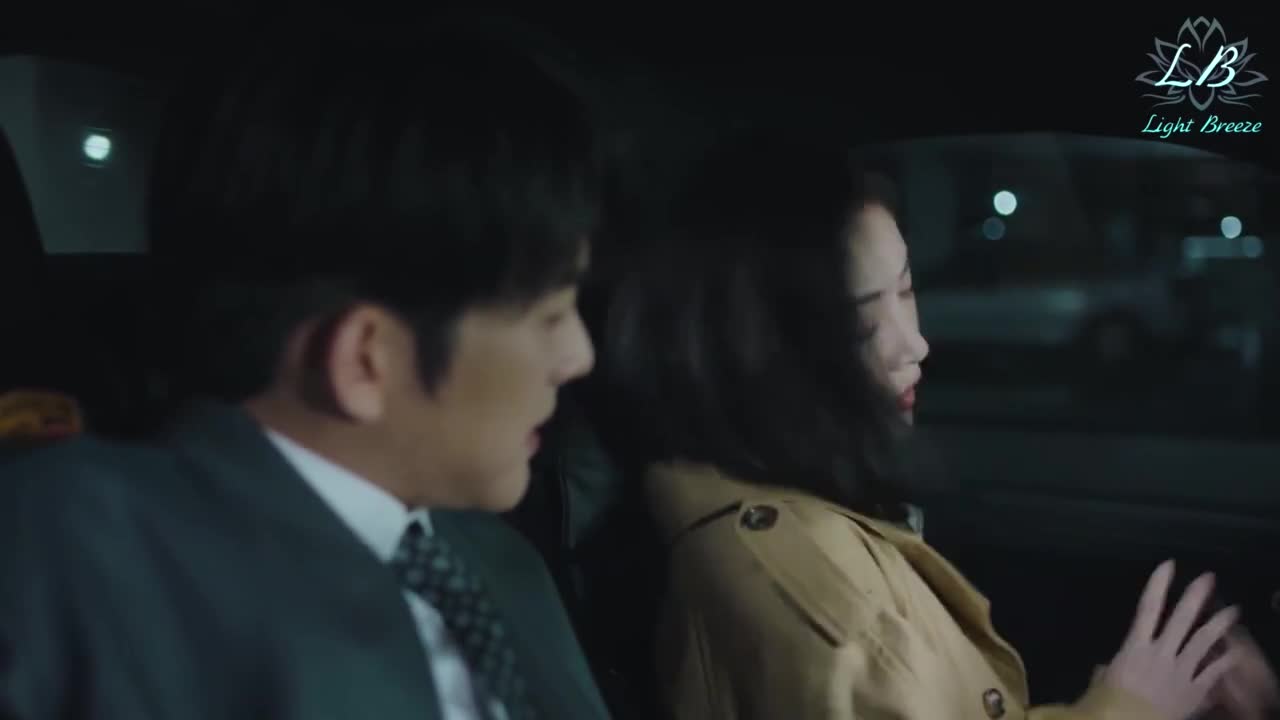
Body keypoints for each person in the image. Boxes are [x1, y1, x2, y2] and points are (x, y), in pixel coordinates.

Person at [0, 26, 611, 720]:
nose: (579, 357)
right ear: (364, 360)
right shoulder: (72, 555)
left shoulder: (495, 565)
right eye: (550, 316)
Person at [572, 136, 1278, 718]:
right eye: (861, 323)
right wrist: (1131, 707)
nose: (914, 344)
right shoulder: (812, 592)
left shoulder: (807, 518)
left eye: (907, 291)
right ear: (754, 351)